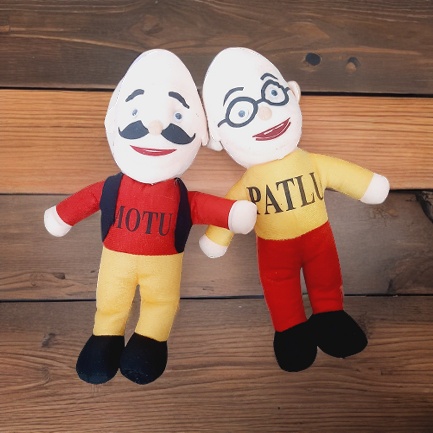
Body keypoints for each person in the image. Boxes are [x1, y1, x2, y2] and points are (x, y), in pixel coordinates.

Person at [44, 49, 256, 385]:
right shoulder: (113, 187)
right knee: (111, 302)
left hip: (162, 267)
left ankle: (150, 341)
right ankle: (104, 338)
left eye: (177, 117)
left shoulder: (179, 196)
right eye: (137, 113)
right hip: (118, 262)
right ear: (114, 122)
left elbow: (201, 205)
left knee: (161, 305)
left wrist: (232, 213)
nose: (155, 127)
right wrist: (62, 216)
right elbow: (87, 199)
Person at [200, 47, 390, 372]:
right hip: (275, 249)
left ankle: (330, 314)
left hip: (319, 239)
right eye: (241, 111)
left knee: (327, 277)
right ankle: (289, 329)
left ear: (292, 94)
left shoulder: (310, 162)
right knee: (279, 286)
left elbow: (342, 174)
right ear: (217, 137)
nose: (264, 114)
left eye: (272, 96)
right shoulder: (249, 182)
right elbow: (230, 208)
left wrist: (369, 185)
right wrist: (217, 238)